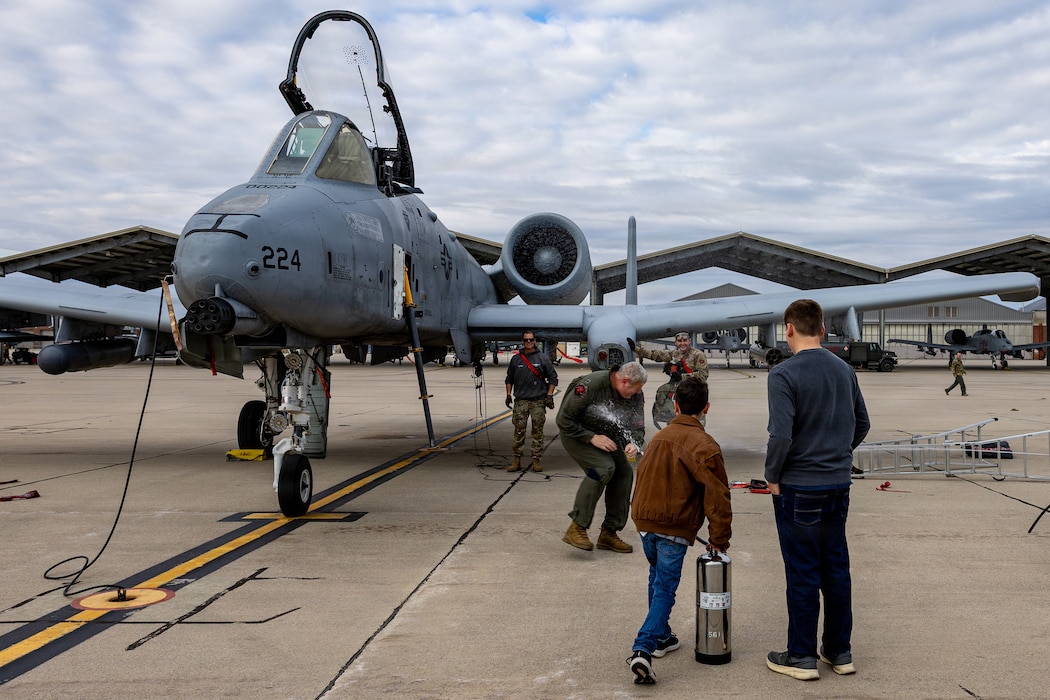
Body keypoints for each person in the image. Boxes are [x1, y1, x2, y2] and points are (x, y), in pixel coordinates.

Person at [764, 299, 870, 682]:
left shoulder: (783, 374)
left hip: (799, 487)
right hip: (837, 484)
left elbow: (781, 435)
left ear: (788, 328)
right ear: (823, 329)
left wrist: (772, 475)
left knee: (803, 572)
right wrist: (838, 454)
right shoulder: (844, 369)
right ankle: (839, 651)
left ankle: (801, 656)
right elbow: (863, 423)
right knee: (836, 569)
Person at [626, 376, 733, 685]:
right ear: (706, 408)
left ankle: (661, 638)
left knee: (656, 578)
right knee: (665, 588)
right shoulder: (705, 445)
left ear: (674, 405)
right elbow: (718, 498)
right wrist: (719, 541)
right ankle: (643, 648)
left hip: (644, 525)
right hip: (673, 529)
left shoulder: (658, 439)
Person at [557, 361, 647, 553]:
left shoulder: (636, 393)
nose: (637, 394)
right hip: (577, 434)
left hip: (607, 435)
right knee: (603, 468)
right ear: (624, 382)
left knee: (624, 473)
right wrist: (591, 437)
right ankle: (577, 527)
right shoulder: (592, 385)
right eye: (635, 390)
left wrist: (634, 443)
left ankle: (609, 532)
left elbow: (638, 426)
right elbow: (564, 420)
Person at [504, 331, 558, 472]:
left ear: (535, 341)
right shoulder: (516, 359)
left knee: (537, 432)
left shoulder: (542, 358)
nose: (528, 342)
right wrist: (508, 394)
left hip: (537, 401)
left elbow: (553, 378)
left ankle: (536, 460)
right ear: (522, 341)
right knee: (519, 431)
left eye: (531, 340)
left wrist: (549, 395)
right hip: (521, 401)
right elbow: (509, 378)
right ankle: (516, 460)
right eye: (526, 340)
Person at [631, 332, 709, 428]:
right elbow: (655, 355)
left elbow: (703, 375)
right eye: (679, 341)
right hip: (678, 392)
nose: (682, 343)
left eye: (685, 340)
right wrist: (636, 349)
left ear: (689, 341)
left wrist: (682, 376)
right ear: (676, 343)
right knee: (663, 394)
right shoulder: (674, 354)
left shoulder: (698, 355)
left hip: (693, 392)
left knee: (694, 421)